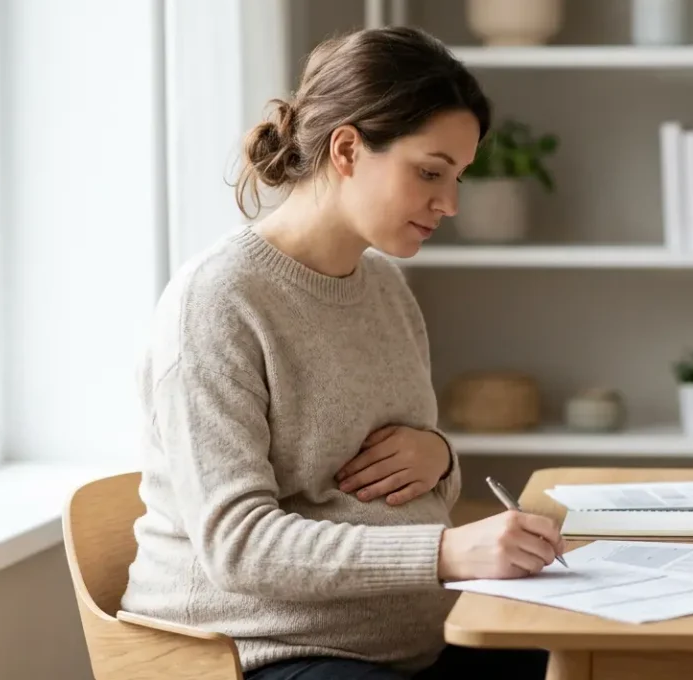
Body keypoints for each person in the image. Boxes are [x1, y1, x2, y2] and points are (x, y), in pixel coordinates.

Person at [119, 25, 561, 680]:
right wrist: (446, 552)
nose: (450, 203)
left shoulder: (384, 288)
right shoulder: (218, 302)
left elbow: (401, 482)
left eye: (459, 177)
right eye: (431, 173)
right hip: (259, 653)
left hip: (408, 646)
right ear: (348, 149)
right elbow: (238, 546)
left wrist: (439, 456)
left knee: (597, 657)